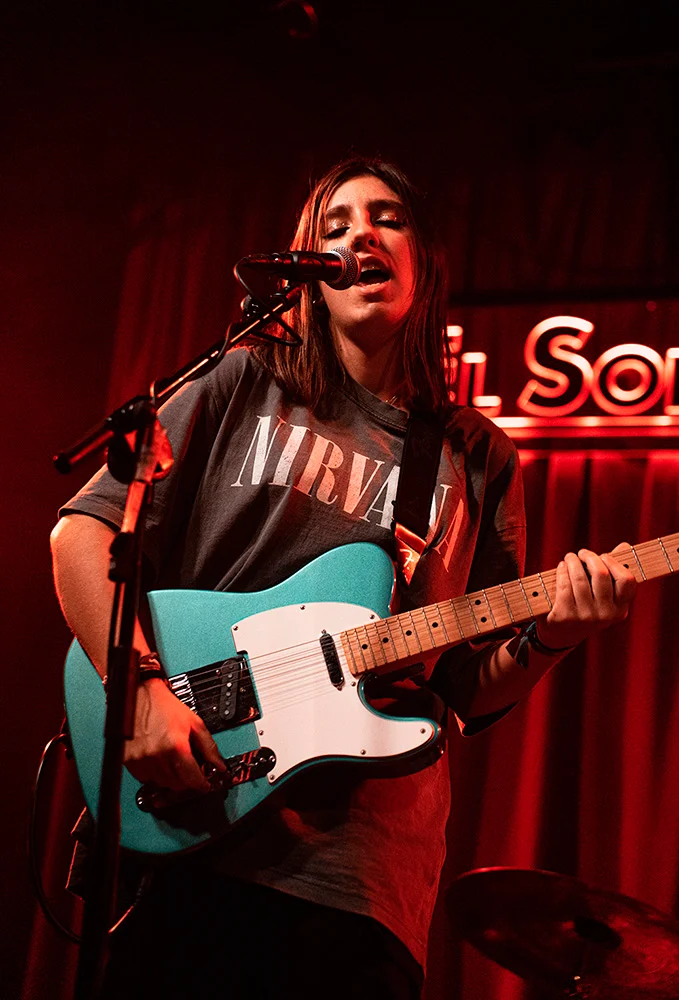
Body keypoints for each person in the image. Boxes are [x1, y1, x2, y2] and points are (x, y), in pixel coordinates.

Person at [51, 157, 636, 999]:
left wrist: (554, 635)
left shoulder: (475, 457)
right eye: (332, 229)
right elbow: (82, 531)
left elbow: (466, 692)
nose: (359, 235)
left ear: (423, 259)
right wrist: (139, 690)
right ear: (307, 278)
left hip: (360, 885)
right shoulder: (241, 382)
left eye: (386, 218)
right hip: (196, 825)